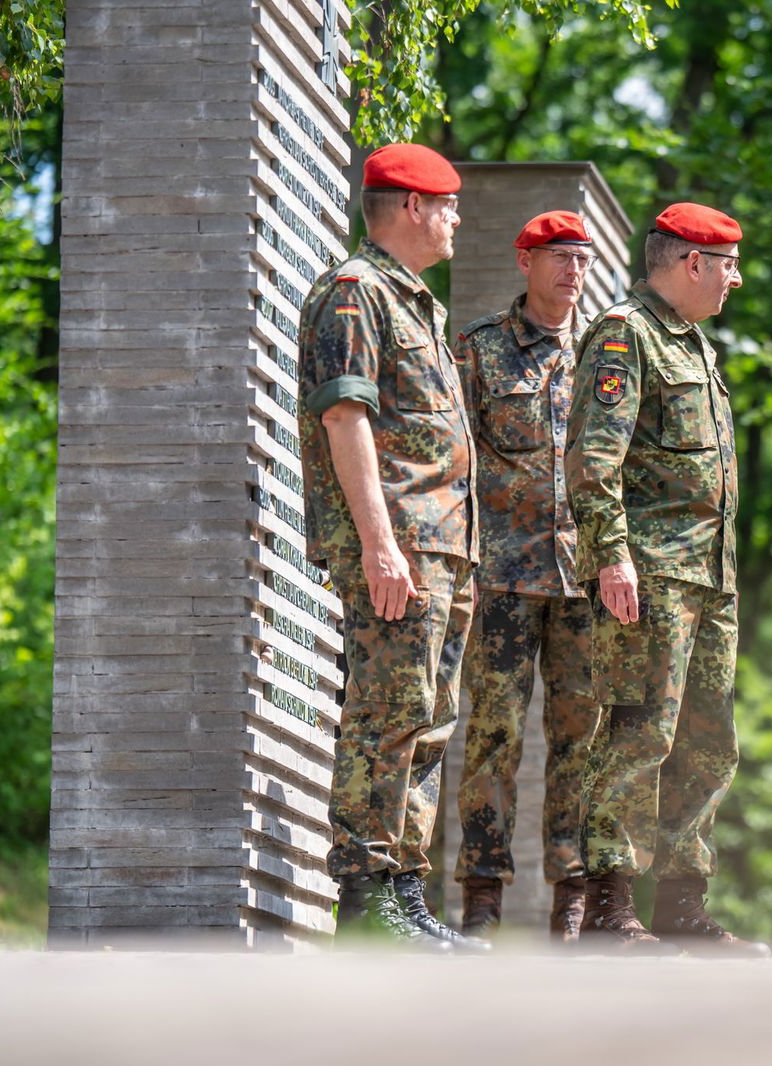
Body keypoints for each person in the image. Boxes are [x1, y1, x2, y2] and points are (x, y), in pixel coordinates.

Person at [297, 142, 485, 951]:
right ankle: (367, 900)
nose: (454, 220)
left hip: (444, 546)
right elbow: (346, 419)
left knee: (430, 721)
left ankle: (405, 894)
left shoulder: (419, 305)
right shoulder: (354, 294)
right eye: (446, 205)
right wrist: (378, 544)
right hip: (400, 542)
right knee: (387, 713)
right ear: (410, 206)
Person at [565, 202, 766, 955]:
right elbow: (593, 460)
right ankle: (611, 903)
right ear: (691, 263)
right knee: (640, 731)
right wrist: (611, 555)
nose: (735, 280)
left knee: (710, 740)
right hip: (650, 573)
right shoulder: (627, 333)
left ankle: (684, 901)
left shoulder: (697, 347)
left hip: (710, 579)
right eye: (728, 265)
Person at [452, 211, 602, 943]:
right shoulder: (479, 351)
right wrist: (464, 559)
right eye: (558, 258)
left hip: (586, 582)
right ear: (525, 262)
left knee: (580, 740)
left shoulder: (610, 354)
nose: (572, 271)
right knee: (492, 736)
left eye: (582, 258)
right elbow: (456, 465)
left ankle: (571, 901)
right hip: (502, 578)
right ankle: (481, 899)